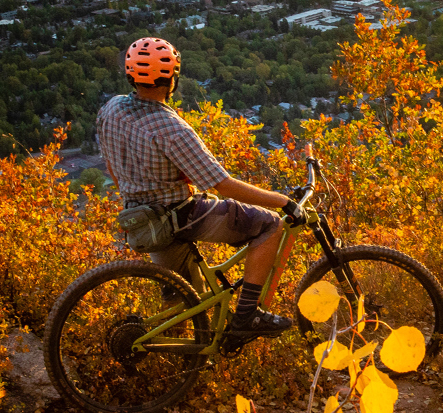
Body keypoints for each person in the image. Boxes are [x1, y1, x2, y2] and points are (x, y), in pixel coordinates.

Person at [95, 37, 306, 336]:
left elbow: (113, 169)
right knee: (269, 225)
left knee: (184, 303)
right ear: (172, 79)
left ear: (130, 75)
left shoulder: (112, 109)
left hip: (142, 220)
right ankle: (247, 316)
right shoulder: (171, 129)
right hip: (179, 216)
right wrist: (282, 201)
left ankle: (174, 364)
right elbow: (223, 185)